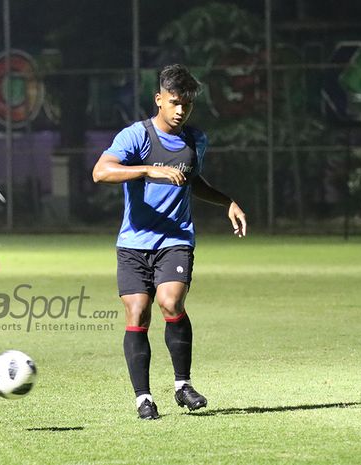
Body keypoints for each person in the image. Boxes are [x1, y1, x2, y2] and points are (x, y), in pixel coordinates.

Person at [92, 64, 247, 420]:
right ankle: (143, 398)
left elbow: (193, 181)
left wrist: (228, 201)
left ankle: (182, 385)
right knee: (137, 313)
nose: (181, 111)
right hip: (133, 243)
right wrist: (148, 169)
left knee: (170, 301)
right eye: (175, 102)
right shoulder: (136, 136)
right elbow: (101, 172)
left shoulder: (196, 139)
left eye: (187, 105)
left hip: (176, 238)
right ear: (159, 99)